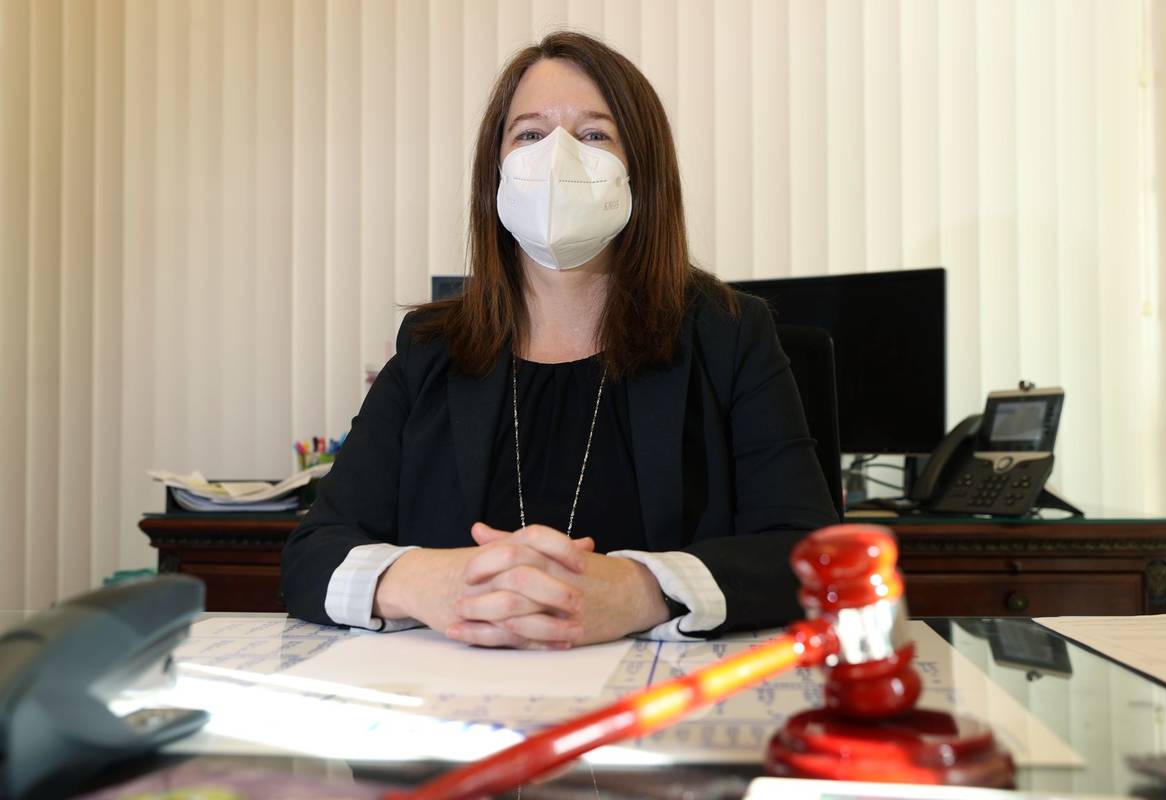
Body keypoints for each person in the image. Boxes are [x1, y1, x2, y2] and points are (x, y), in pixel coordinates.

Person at [281, 31, 837, 649]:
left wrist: (640, 589)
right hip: (454, 716)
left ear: (641, 170)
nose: (558, 159)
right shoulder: (429, 346)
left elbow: (810, 554)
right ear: (495, 171)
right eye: (529, 134)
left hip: (651, 718)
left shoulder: (729, 334)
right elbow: (313, 553)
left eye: (594, 134)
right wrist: (430, 580)